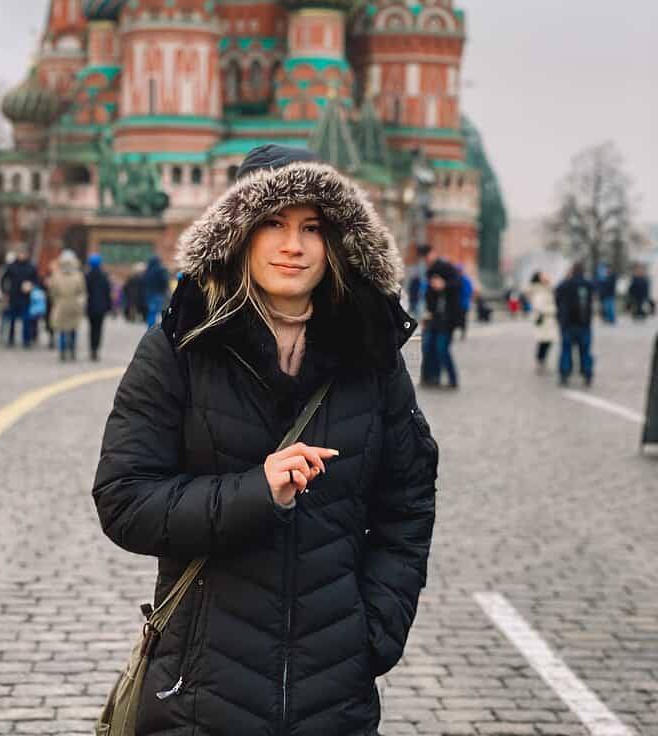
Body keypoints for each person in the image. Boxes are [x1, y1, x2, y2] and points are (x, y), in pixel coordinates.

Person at [92, 143, 438, 736]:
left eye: (312, 227)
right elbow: (124, 499)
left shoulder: (371, 356)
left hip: (334, 698)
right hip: (199, 693)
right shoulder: (181, 347)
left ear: (337, 242)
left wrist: (373, 634)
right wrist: (257, 493)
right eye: (272, 223)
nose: (293, 245)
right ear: (239, 234)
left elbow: (407, 503)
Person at [419, 244, 461, 388]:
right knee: (429, 346)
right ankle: (433, 377)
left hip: (447, 318)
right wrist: (427, 314)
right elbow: (429, 296)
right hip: (435, 317)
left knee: (442, 348)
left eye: (427, 256)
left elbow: (457, 284)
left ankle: (452, 378)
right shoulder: (430, 271)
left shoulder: (446, 267)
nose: (426, 260)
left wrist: (444, 285)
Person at [555, 262, 595, 386]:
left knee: (566, 350)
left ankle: (565, 374)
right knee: (585, 351)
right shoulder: (587, 284)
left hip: (567, 323)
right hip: (584, 323)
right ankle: (587, 374)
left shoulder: (565, 284)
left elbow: (557, 297)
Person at [48, 249, 85, 361]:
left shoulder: (56, 275)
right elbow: (82, 291)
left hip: (61, 304)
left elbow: (52, 292)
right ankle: (72, 350)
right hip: (74, 304)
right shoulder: (78, 275)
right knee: (73, 329)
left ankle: (63, 351)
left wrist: (55, 301)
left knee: (62, 330)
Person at [1, 248, 39, 348]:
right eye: (20, 254)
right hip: (13, 296)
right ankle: (10, 339)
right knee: (12, 320)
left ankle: (26, 340)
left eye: (24, 254)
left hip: (26, 298)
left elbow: (36, 280)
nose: (22, 256)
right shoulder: (11, 266)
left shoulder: (31, 267)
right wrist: (5, 292)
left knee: (26, 320)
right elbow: (4, 279)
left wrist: (31, 285)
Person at [528, 270, 556, 371]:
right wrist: (554, 310)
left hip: (549, 320)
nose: (546, 277)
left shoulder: (548, 288)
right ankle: (540, 361)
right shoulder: (538, 290)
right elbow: (539, 306)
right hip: (544, 320)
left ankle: (542, 361)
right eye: (543, 275)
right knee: (543, 342)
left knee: (548, 342)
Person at [86, 252, 112, 361]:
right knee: (99, 328)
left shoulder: (87, 276)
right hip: (101, 306)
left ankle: (92, 348)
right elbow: (107, 292)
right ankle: (96, 349)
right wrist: (109, 305)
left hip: (90, 306)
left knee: (92, 328)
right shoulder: (104, 276)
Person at [141, 255, 170, 329]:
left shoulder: (147, 271)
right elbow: (165, 281)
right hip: (158, 293)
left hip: (149, 294)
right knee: (158, 311)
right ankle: (156, 327)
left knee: (151, 311)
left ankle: (150, 327)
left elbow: (143, 283)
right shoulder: (160, 270)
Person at [456, 265, 473, 338]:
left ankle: (463, 332)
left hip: (463, 303)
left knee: (463, 318)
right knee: (457, 318)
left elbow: (468, 291)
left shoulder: (465, 280)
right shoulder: (456, 279)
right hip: (457, 304)